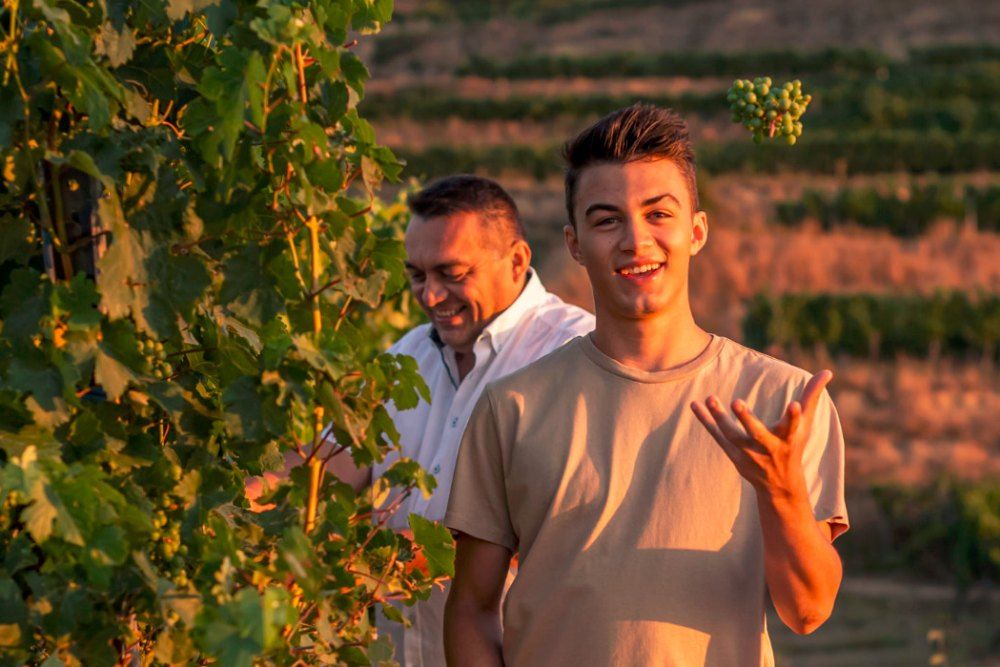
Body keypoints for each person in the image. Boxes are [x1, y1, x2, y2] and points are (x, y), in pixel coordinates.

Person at [443, 104, 849, 666]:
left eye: (659, 214)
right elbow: (470, 608)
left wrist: (779, 492)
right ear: (575, 243)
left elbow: (808, 612)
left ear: (697, 230)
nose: (636, 240)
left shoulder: (782, 404)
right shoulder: (511, 407)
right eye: (607, 220)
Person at [248, 174, 594, 665]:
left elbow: (530, 536)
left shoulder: (572, 356)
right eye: (416, 275)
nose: (430, 296)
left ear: (517, 261)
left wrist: (335, 567)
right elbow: (324, 469)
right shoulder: (408, 354)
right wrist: (239, 505)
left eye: (451, 273)